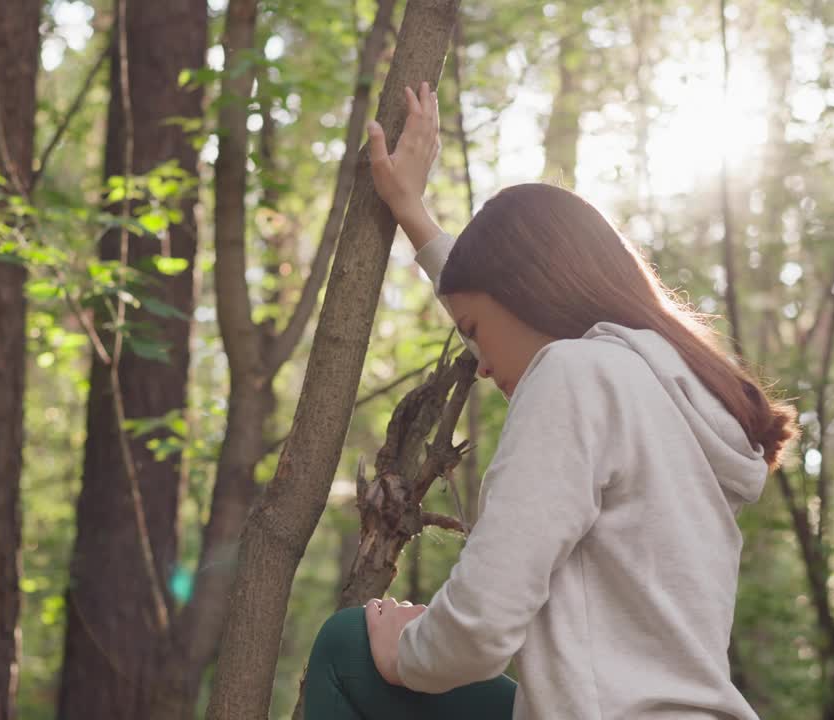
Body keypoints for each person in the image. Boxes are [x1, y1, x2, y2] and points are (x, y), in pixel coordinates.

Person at [302, 81, 798, 720]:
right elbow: (491, 300)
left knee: (349, 646)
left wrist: (407, 649)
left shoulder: (574, 373)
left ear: (529, 292)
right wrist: (410, 210)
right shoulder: (677, 391)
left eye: (476, 335)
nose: (478, 367)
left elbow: (477, 631)